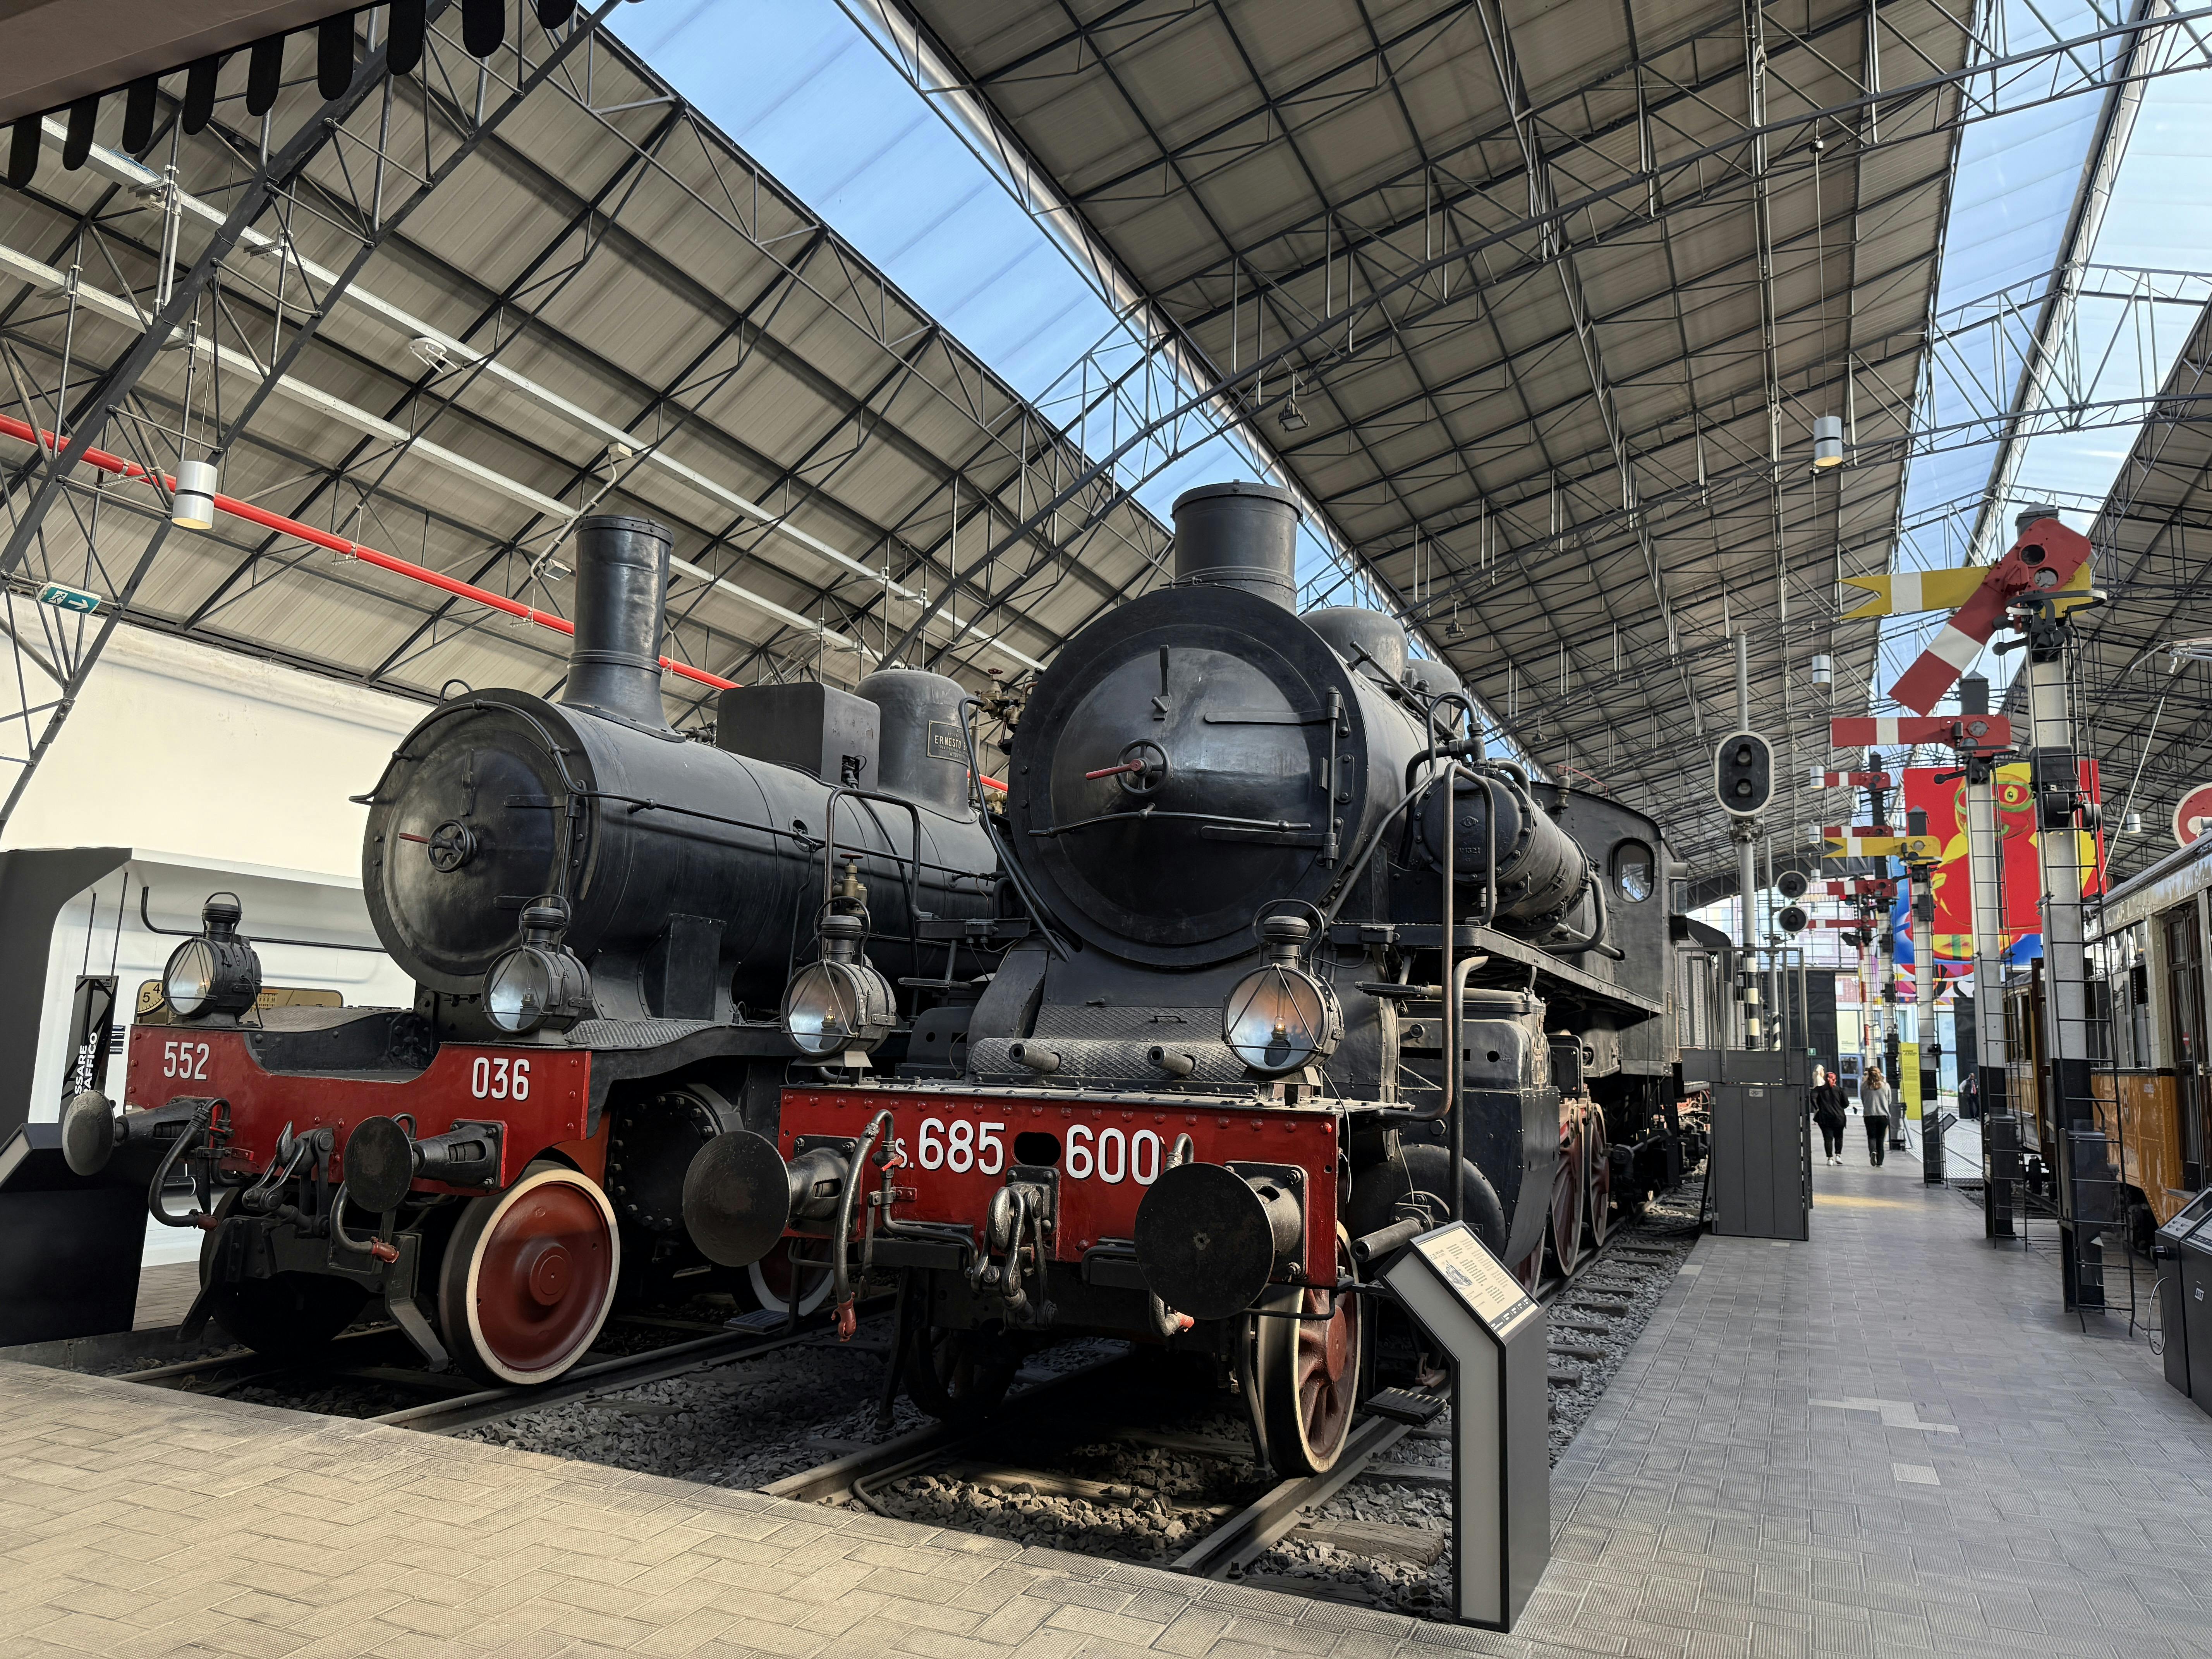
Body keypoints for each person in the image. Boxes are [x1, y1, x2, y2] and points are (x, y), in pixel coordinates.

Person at [1810, 1065, 1850, 1164]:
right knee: (1839, 1137)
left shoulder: (1819, 1090)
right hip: (1839, 1117)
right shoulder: (1840, 1090)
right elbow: (1846, 1104)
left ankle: (1830, 1158)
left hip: (1825, 1117)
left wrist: (1817, 1108)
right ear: (1835, 1080)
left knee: (1828, 1138)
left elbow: (1813, 1097)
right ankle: (1838, 1156)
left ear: (1825, 1079)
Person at [1860, 1060, 1893, 1165]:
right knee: (1881, 1139)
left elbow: (1863, 1100)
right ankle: (1880, 1162)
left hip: (1869, 1115)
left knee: (1872, 1137)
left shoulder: (1864, 1086)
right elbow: (1889, 1100)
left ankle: (1873, 1151)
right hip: (1883, 1116)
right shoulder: (1886, 1086)